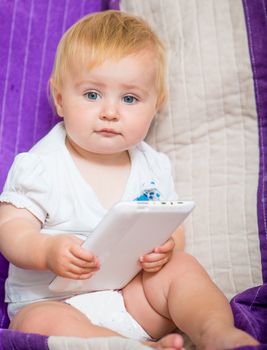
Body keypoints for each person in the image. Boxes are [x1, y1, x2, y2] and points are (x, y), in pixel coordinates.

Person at [0, 10, 259, 350]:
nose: (110, 111)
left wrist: (167, 247)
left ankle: (215, 332)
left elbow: (171, 225)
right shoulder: (41, 165)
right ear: (61, 99)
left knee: (182, 267)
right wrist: (47, 250)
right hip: (55, 304)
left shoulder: (152, 165)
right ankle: (134, 347)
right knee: (35, 324)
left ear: (155, 107)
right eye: (92, 94)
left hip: (133, 299)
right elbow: (10, 228)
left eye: (129, 98)